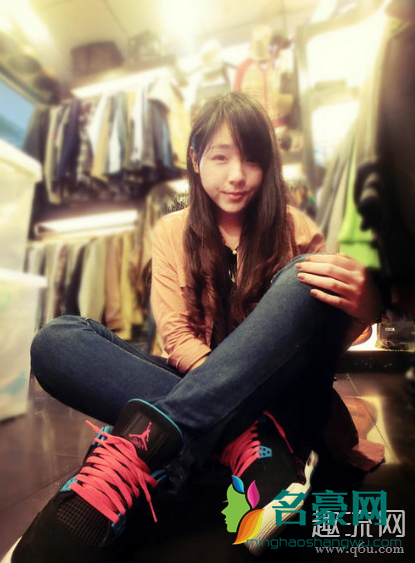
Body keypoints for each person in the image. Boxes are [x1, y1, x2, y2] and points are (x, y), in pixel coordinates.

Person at [12, 92, 381, 563]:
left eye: (251, 159)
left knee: (303, 278)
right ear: (195, 159)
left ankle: (146, 444)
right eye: (221, 157)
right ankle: (244, 440)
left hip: (286, 397)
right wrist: (228, 400)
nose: (237, 175)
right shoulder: (172, 231)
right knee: (57, 340)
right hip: (214, 391)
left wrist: (365, 308)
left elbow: (319, 344)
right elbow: (179, 340)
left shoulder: (296, 228)